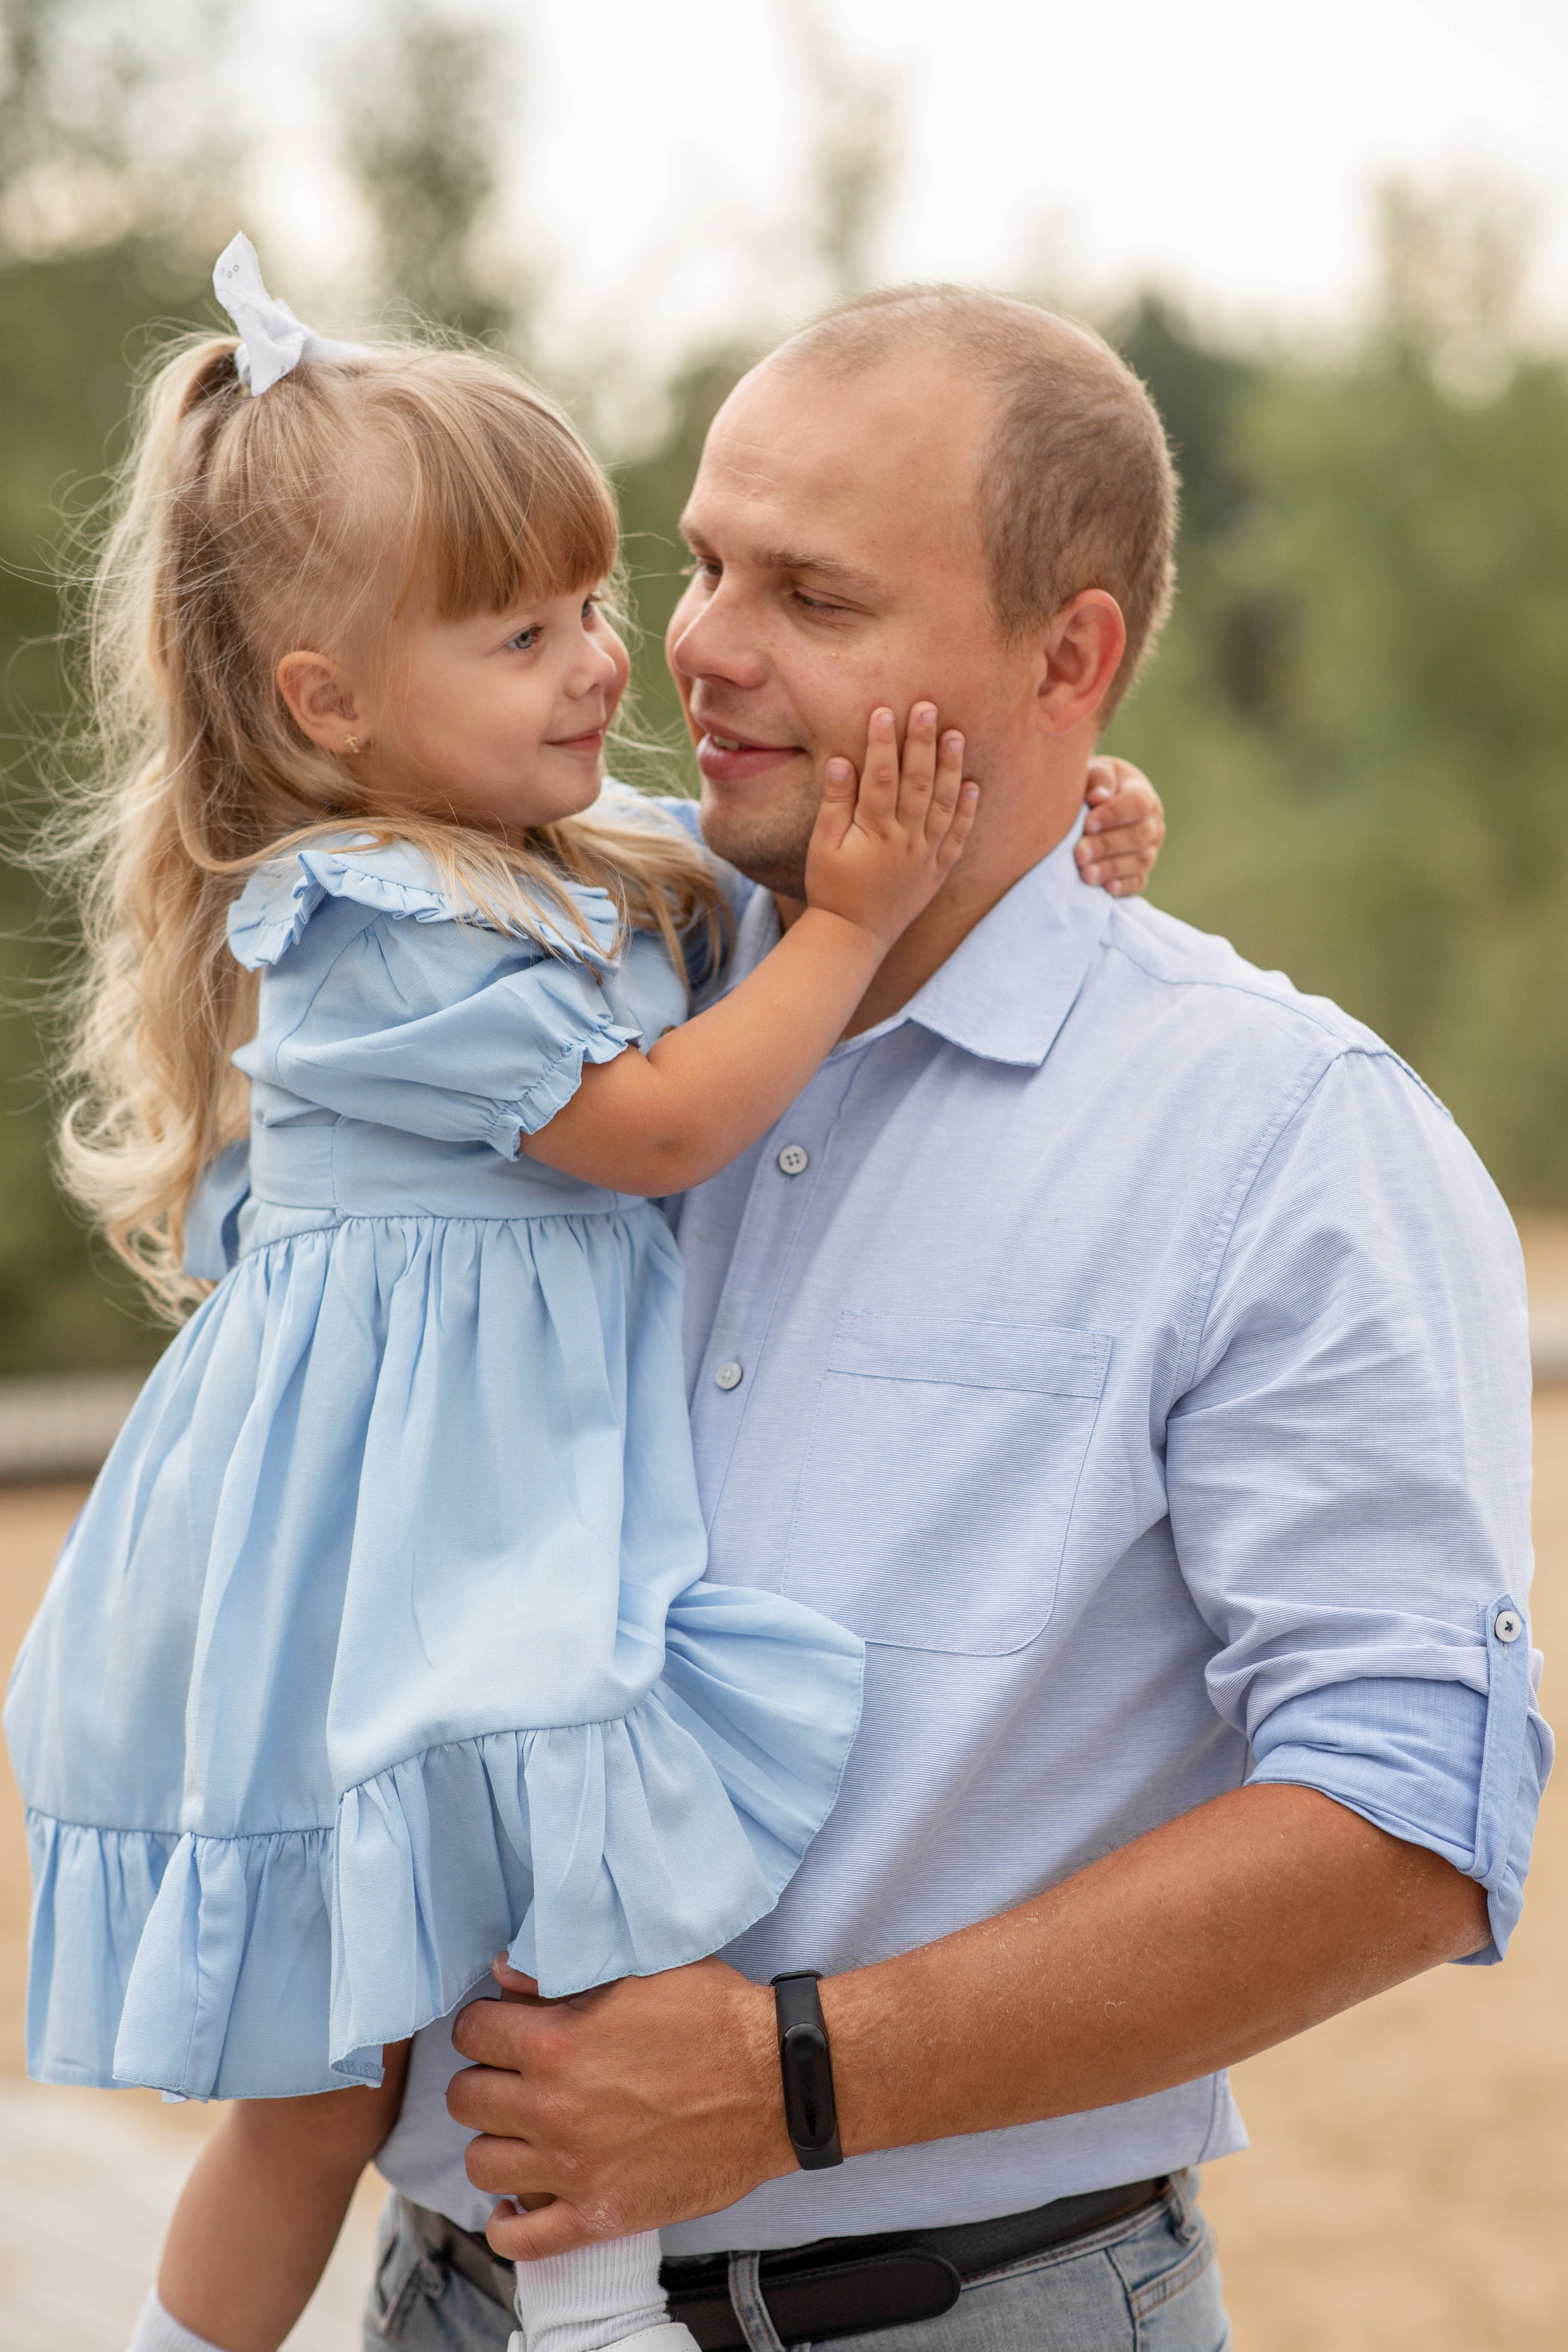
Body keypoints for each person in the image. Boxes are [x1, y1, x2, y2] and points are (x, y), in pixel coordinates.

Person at [366, 288, 1550, 2352]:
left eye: (814, 592)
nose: (708, 645)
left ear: (1068, 658)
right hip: (438, 2301)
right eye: (708, 559)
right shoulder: (542, 971)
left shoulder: (1283, 1140)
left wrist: (790, 2076)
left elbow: (1410, 1818)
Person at [1, 246, 1160, 2352]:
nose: (598, 667)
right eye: (520, 632)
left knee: (567, 1937)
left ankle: (596, 2304)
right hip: (402, 1530)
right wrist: (854, 925)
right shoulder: (361, 923)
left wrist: (1034, 810)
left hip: (511, 1486)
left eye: (593, 608)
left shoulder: (559, 846)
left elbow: (776, 871)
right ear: (327, 705)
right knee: (328, 2082)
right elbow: (657, 1123)